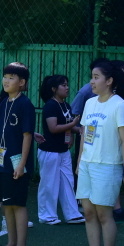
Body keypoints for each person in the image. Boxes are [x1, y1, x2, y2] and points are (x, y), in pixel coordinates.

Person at [73, 59, 124, 246]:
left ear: (109, 81)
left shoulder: (120, 105)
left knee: (104, 214)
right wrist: (79, 162)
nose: (92, 81)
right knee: (89, 212)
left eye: (96, 77)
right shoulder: (90, 103)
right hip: (87, 165)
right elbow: (84, 135)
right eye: (92, 77)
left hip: (108, 166)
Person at [0, 63, 35, 246]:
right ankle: (11, 244)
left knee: (17, 204)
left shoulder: (25, 104)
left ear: (22, 82)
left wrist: (21, 164)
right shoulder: (4, 103)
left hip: (17, 164)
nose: (6, 81)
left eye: (11, 77)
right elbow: (1, 135)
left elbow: (27, 135)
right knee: (5, 203)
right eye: (5, 76)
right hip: (2, 162)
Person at [36, 74, 82, 225]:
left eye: (67, 84)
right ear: (54, 89)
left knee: (68, 182)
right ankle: (46, 215)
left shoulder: (66, 105)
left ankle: (72, 214)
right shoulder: (50, 105)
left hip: (63, 150)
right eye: (63, 85)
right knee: (49, 184)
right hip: (50, 151)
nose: (67, 88)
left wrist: (79, 130)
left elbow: (69, 126)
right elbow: (53, 128)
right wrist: (73, 124)